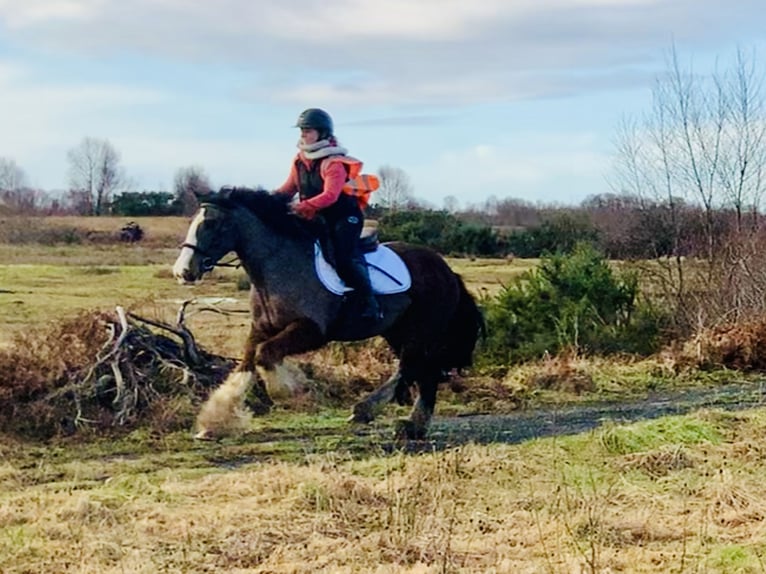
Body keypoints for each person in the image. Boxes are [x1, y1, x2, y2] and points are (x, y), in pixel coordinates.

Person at [273, 108, 381, 321]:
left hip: (344, 217)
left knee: (342, 256)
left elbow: (330, 196)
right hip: (317, 217)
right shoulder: (300, 161)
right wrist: (266, 201)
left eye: (308, 130)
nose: (303, 134)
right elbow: (287, 189)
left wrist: (301, 207)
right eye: (302, 130)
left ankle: (369, 302)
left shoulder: (334, 163)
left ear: (322, 133)